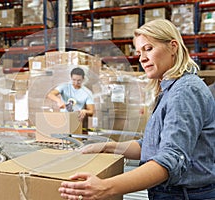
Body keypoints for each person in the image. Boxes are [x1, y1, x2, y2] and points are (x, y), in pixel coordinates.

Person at [58, 19, 215, 200]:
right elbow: (151, 146)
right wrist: (109, 146)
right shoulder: (170, 90)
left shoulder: (185, 91)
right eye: (139, 52)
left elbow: (170, 160)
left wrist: (106, 187)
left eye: (148, 49)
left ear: (173, 47)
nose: (142, 58)